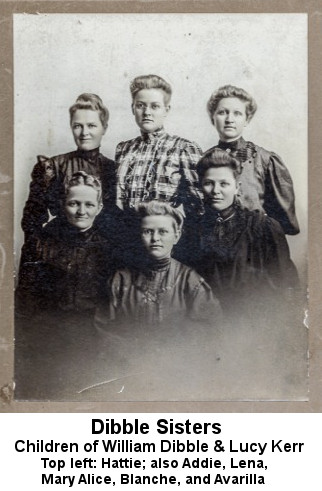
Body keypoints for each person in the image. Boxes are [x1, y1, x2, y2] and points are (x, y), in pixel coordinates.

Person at [15, 172, 116, 400]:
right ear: (62, 205)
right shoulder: (43, 243)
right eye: (74, 203)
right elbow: (25, 298)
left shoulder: (109, 249)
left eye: (89, 204)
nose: (82, 211)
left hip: (92, 336)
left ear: (99, 208)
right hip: (49, 335)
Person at [195, 148, 299, 317]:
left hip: (255, 324)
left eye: (224, 184)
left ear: (237, 187)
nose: (215, 190)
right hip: (209, 324)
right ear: (201, 186)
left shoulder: (263, 227)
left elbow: (284, 286)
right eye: (208, 183)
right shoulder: (193, 230)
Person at [21, 93, 117, 241]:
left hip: (103, 252)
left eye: (92, 125)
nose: (84, 133)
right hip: (60, 248)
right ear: (71, 127)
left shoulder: (114, 169)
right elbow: (32, 219)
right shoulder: (52, 167)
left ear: (104, 128)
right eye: (78, 126)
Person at [206, 85, 299, 235]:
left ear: (247, 119)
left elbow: (284, 221)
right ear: (213, 118)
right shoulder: (204, 161)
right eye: (222, 112)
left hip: (257, 245)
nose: (229, 119)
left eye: (237, 113)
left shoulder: (266, 160)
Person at [115, 74, 203, 216]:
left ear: (166, 110)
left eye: (155, 106)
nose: (147, 112)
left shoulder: (183, 148)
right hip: (127, 232)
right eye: (140, 105)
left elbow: (199, 205)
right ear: (133, 108)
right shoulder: (124, 149)